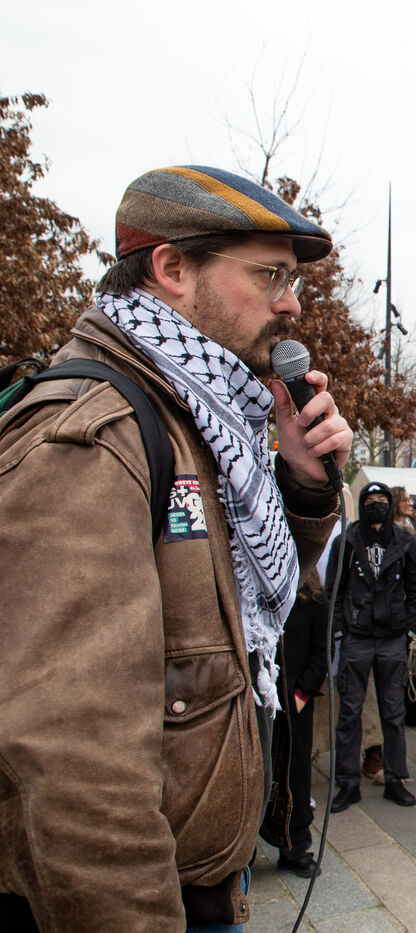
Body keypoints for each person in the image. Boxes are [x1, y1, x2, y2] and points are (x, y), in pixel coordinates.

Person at [0, 165, 349, 929]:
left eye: (292, 280)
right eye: (270, 275)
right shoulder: (93, 436)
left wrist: (302, 484)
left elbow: (233, 603)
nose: (291, 303)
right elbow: (75, 765)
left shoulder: (203, 418)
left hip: (209, 876)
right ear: (172, 268)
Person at [329, 482, 416, 812]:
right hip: (356, 636)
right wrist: (339, 630)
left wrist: (407, 628)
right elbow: (334, 589)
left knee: (394, 713)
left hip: (391, 637)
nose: (376, 505)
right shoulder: (347, 541)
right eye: (370, 501)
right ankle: (348, 782)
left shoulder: (404, 541)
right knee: (349, 712)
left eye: (381, 500)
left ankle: (395, 778)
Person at [265, 574, 330, 879]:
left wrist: (301, 695)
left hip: (293, 702)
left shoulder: (314, 600)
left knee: (295, 774)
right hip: (258, 698)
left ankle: (295, 848)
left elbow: (321, 651)